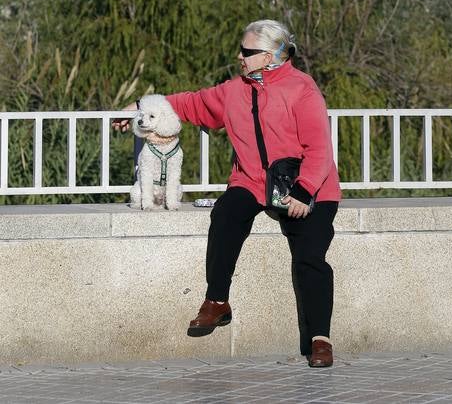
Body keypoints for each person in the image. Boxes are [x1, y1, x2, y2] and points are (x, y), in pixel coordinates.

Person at [114, 19, 341, 368]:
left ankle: (320, 339)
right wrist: (139, 105)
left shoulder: (303, 89)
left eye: (247, 52)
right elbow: (191, 103)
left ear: (269, 56)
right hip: (252, 181)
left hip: (308, 186)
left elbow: (319, 148)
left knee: (310, 257)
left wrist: (304, 190)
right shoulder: (234, 90)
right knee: (225, 215)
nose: (240, 56)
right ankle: (217, 301)